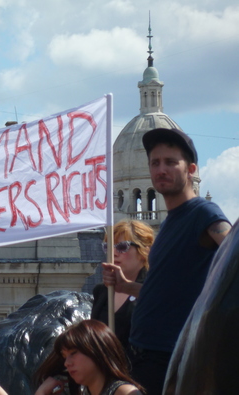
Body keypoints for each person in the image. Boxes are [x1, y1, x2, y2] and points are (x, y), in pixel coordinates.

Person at [102, 128, 231, 395]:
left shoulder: (203, 213)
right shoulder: (170, 223)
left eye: (171, 162)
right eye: (155, 163)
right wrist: (127, 287)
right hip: (145, 356)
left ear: (191, 169)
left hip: (171, 357)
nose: (161, 169)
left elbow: (232, 250)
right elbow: (170, 292)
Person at [91, 220, 154, 350]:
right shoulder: (101, 291)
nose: (113, 253)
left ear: (145, 251)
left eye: (122, 247)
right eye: (107, 247)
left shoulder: (154, 289)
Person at [33, 320, 142, 395]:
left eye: (73, 353)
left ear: (97, 350)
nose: (67, 363)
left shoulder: (125, 392)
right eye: (64, 357)